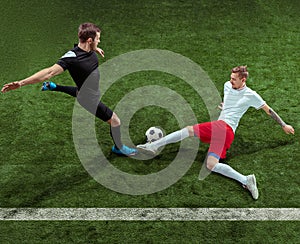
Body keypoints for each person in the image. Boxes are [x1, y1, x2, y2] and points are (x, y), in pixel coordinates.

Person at [137, 66, 295, 200]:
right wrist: (225, 106)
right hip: (224, 132)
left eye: (234, 79)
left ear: (243, 80)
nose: (231, 80)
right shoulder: (227, 85)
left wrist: (283, 124)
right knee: (211, 164)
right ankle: (246, 180)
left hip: (224, 128)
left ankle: (154, 146)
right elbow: (229, 101)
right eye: (231, 77)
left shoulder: (251, 95)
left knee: (188, 130)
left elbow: (269, 110)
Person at [1, 22, 137, 156]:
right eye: (98, 39)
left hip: (86, 91)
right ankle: (118, 148)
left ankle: (54, 87)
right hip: (89, 99)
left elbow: (87, 50)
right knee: (115, 121)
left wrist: (95, 49)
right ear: (90, 40)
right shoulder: (72, 58)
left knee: (79, 91)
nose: (99, 41)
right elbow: (48, 72)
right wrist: (21, 83)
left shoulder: (88, 48)